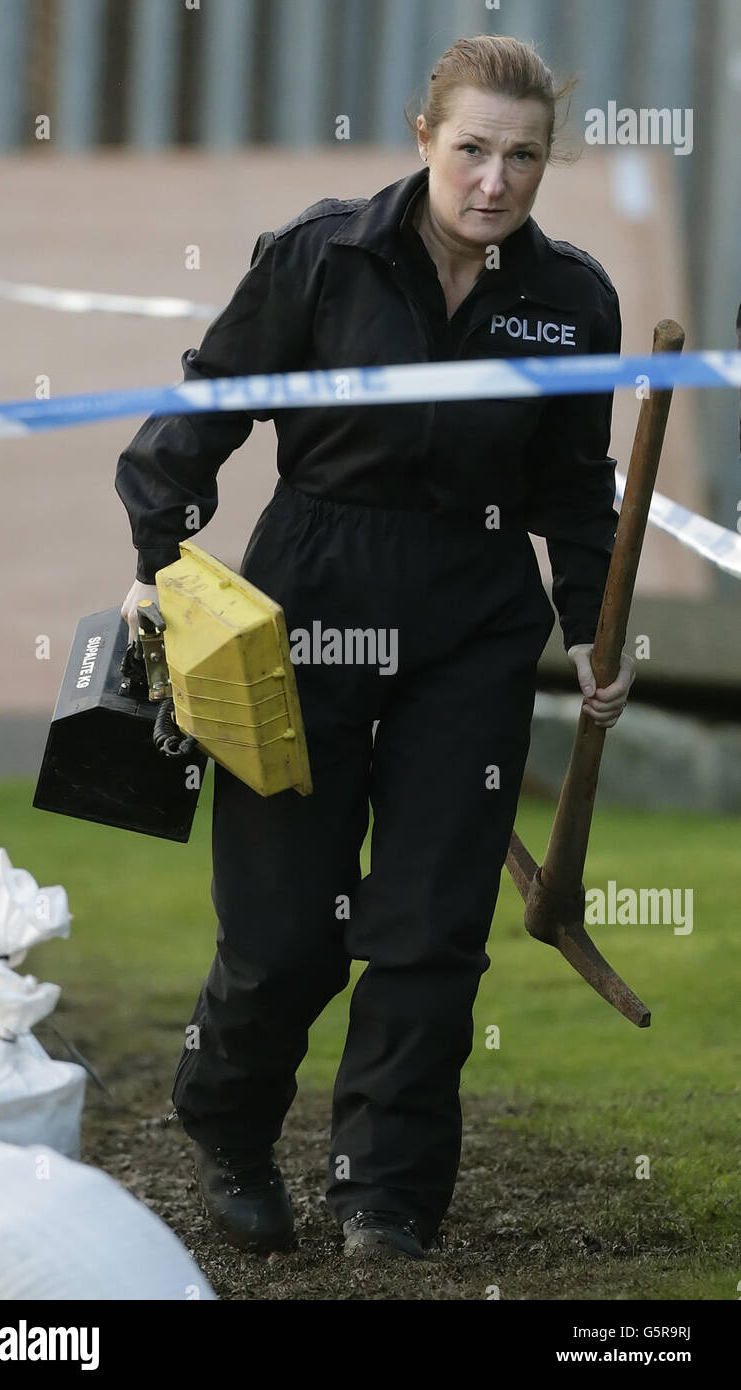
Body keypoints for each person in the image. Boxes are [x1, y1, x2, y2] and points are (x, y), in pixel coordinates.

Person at [117, 34, 636, 1261]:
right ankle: (229, 1122)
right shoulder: (319, 255)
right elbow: (206, 407)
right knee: (285, 930)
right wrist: (155, 564)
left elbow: (575, 490)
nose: (494, 181)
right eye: (472, 150)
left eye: (521, 157)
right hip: (308, 601)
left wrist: (593, 630)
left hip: (474, 620)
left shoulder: (573, 302)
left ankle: (384, 1191)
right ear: (423, 139)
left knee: (428, 927)